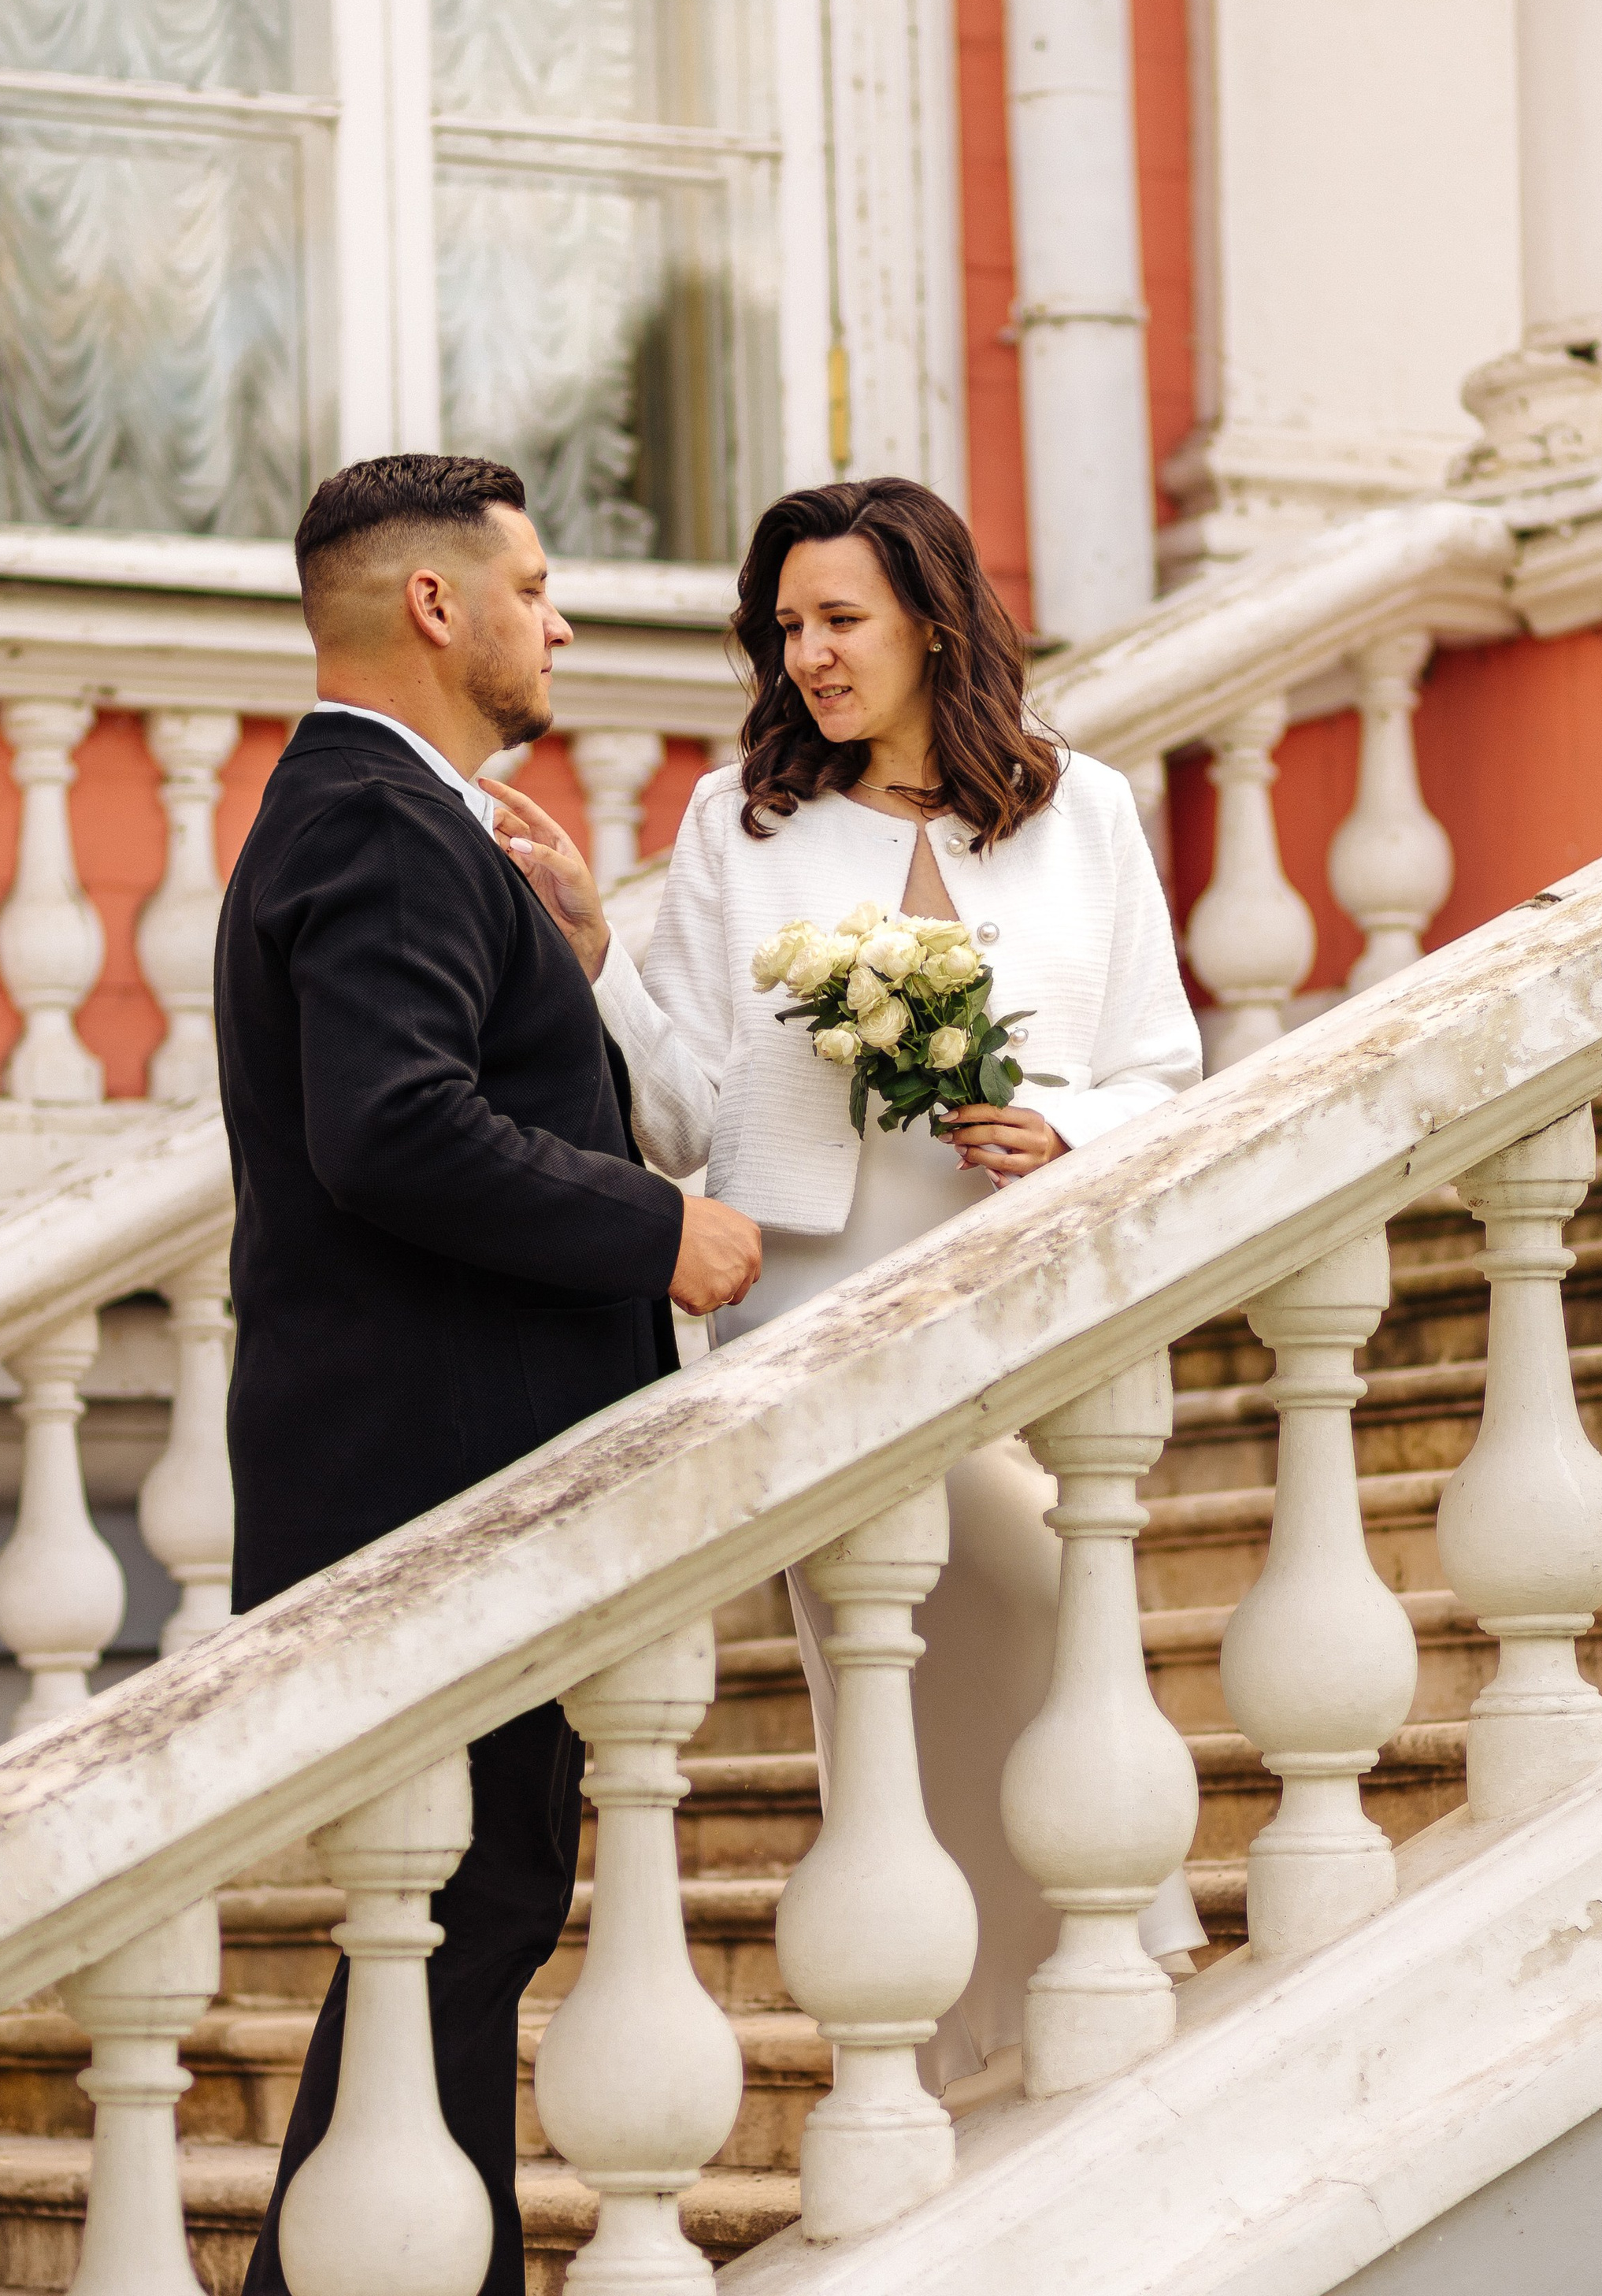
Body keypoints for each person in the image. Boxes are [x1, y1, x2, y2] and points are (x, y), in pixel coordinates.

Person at [488, 474, 1207, 2101]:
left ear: (931, 622)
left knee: (1044, 1622)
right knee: (892, 1679)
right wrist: (600, 951)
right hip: (816, 1312)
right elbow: (674, 1114)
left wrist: (1065, 1122)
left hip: (1018, 1305)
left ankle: (1065, 2025)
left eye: (837, 620)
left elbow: (1165, 1064)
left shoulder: (1077, 809)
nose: (804, 654)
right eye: (785, 626)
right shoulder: (739, 824)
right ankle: (961, 2045)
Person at [217, 451, 763, 2296]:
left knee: (461, 1916)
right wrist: (651, 1227)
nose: (563, 621)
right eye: (535, 587)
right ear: (435, 606)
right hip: (445, 1483)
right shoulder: (377, 820)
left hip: (448, 1467)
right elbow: (393, 1132)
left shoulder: (392, 815)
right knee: (464, 1912)